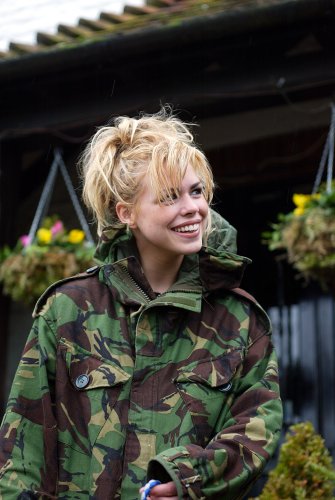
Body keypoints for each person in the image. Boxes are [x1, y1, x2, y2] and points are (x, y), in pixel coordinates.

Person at [0, 107, 282, 499]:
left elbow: (257, 431)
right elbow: (22, 454)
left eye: (196, 191)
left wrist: (186, 480)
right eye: (169, 197)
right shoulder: (67, 312)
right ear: (126, 213)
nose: (192, 209)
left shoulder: (238, 319)